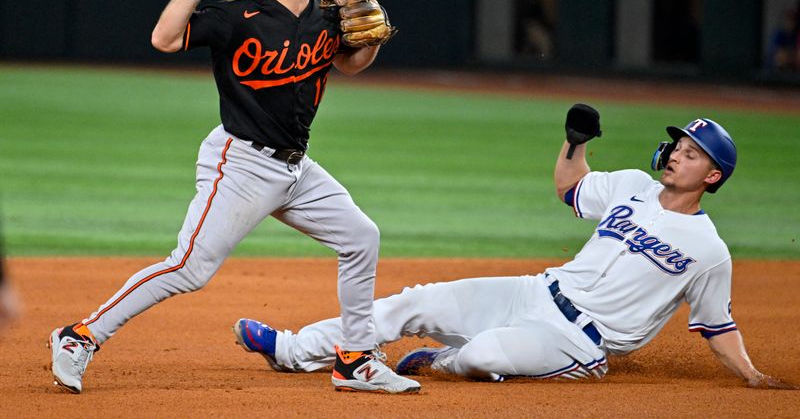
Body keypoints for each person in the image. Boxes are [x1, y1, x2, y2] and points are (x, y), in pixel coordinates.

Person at [48, 0, 418, 395]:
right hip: (241, 162)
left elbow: (348, 66)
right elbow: (163, 38)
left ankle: (354, 360)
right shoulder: (235, 18)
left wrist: (371, 43)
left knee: (361, 238)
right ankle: (79, 336)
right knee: (189, 268)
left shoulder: (326, 14)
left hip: (295, 167)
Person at [233, 106, 797, 389]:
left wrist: (751, 376)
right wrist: (575, 143)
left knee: (483, 356)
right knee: (411, 303)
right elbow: (570, 187)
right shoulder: (631, 184)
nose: (677, 154)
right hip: (535, 290)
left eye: (693, 153)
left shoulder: (709, 250)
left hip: (577, 343)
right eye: (678, 145)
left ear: (714, 177)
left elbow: (716, 325)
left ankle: (445, 361)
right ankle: (291, 348)